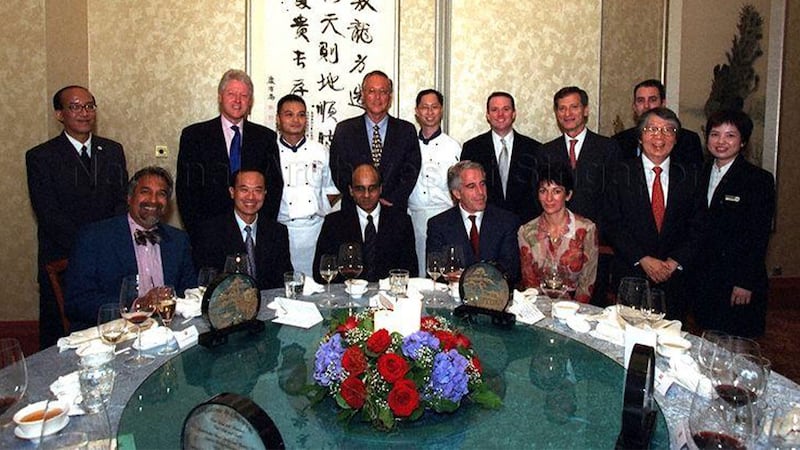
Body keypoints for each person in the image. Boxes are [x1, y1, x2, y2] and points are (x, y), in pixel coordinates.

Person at [26, 85, 128, 348]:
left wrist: (106, 250)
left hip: (109, 260)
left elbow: (120, 204)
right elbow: (49, 215)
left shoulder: (113, 150)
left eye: (89, 106)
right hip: (64, 259)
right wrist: (89, 250)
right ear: (59, 114)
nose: (84, 113)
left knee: (112, 335)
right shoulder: (41, 157)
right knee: (62, 341)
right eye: (75, 107)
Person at [604, 108, 706, 321]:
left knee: (671, 342)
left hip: (675, 279)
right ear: (640, 137)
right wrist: (642, 259)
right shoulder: (619, 173)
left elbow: (699, 226)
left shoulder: (691, 176)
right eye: (652, 129)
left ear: (676, 139)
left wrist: (674, 262)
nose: (659, 136)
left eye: (668, 130)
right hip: (632, 275)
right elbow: (612, 223)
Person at [64, 167, 196, 332]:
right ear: (129, 197)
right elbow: (76, 302)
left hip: (166, 333)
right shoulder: (94, 237)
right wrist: (135, 305)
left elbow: (190, 292)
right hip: (114, 336)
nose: (153, 200)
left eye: (161, 194)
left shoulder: (178, 240)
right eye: (145, 192)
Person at [692, 110, 775, 337]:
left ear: (743, 141)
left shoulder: (758, 180)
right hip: (705, 277)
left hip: (737, 281)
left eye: (730, 135)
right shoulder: (699, 173)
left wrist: (745, 281)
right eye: (715, 134)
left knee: (736, 345)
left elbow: (759, 235)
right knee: (708, 339)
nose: (721, 142)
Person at [176, 69, 283, 242]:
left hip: (253, 232)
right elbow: (186, 191)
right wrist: (198, 233)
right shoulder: (194, 136)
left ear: (250, 101)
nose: (237, 101)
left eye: (244, 95)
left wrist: (263, 230)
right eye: (231, 94)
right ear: (220, 97)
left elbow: (274, 187)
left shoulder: (265, 138)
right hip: (208, 232)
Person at [538, 86, 619, 306]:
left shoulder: (608, 148)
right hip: (555, 247)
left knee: (592, 307)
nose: (567, 113)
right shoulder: (546, 151)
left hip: (595, 244)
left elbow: (614, 198)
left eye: (574, 107)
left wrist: (596, 235)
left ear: (585, 110)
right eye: (562, 108)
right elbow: (543, 197)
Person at [329, 70, 421, 210]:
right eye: (371, 91)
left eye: (383, 92)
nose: (377, 97)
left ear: (390, 97)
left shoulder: (406, 131)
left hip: (393, 209)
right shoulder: (344, 130)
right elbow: (338, 171)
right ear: (362, 95)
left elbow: (411, 171)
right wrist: (363, 197)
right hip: (354, 210)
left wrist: (390, 198)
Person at [312, 164, 417, 283]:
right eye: (360, 189)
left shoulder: (401, 221)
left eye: (372, 188)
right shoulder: (334, 223)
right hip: (347, 296)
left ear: (380, 189)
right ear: (351, 190)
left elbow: (411, 271)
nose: (366, 195)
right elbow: (321, 272)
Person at [193, 169, 293, 291]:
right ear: (232, 192)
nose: (251, 197)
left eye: (257, 190)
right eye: (244, 190)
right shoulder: (210, 232)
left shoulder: (277, 232)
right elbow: (207, 282)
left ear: (265, 193)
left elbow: (284, 279)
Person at [274, 94, 340, 276]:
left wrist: (320, 207)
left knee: (317, 284)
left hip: (315, 231)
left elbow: (332, 188)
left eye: (301, 115)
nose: (296, 120)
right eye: (289, 114)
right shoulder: (269, 152)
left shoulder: (320, 150)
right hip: (282, 231)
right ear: (278, 119)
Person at [426, 161, 521, 284]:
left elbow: (511, 270)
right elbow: (436, 273)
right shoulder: (439, 225)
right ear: (457, 193)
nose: (481, 192)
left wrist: (466, 278)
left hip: (494, 296)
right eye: (472, 186)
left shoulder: (506, 221)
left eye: (482, 184)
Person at [518, 163, 598, 303]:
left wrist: (572, 311)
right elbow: (530, 283)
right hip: (539, 306)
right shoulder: (526, 231)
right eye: (543, 191)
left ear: (568, 195)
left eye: (556, 191)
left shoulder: (586, 230)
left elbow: (587, 284)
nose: (549, 198)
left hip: (575, 308)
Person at [461, 91, 541, 223]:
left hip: (525, 226)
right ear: (487, 115)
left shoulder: (534, 149)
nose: (500, 115)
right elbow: (465, 190)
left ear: (514, 114)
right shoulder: (472, 148)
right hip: (486, 225)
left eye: (506, 109)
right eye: (494, 110)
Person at [408, 89, 460, 274]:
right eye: (424, 107)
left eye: (434, 107)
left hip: (445, 215)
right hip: (414, 217)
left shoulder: (453, 147)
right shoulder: (407, 144)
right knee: (419, 271)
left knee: (445, 271)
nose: (429, 112)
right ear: (417, 111)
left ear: (442, 110)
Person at [612, 79, 703, 168]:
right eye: (640, 100)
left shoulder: (688, 141)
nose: (646, 106)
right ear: (634, 107)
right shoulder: (619, 142)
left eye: (652, 100)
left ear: (663, 104)